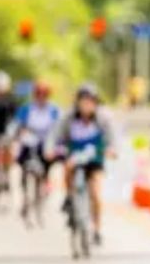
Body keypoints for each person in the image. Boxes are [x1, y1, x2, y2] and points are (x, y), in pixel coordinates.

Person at [50, 84, 116, 245]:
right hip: (74, 156)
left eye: (90, 102)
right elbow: (55, 136)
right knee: (67, 168)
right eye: (83, 101)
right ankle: (69, 197)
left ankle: (97, 229)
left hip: (94, 158)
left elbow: (112, 139)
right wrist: (53, 149)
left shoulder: (102, 119)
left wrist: (111, 150)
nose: (87, 105)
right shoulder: (68, 118)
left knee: (96, 193)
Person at [13, 81, 61, 217]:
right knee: (22, 162)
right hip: (29, 140)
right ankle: (24, 197)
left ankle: (45, 182)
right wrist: (18, 134)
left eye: (44, 94)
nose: (41, 97)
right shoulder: (26, 109)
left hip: (47, 142)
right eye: (39, 94)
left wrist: (56, 143)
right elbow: (17, 124)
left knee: (48, 160)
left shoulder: (54, 110)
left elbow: (59, 128)